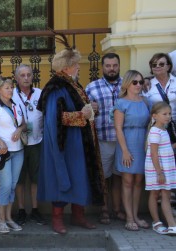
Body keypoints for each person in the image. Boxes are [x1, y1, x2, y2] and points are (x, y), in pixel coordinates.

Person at [37, 35, 104, 235]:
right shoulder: (55, 87)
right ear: (66, 67)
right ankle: (57, 218)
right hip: (64, 143)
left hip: (79, 143)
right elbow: (54, 118)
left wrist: (92, 108)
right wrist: (81, 114)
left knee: (80, 177)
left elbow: (83, 111)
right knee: (62, 179)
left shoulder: (75, 85)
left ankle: (78, 215)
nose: (78, 67)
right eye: (75, 64)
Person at [85, 53, 125, 225]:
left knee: (119, 176)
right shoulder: (92, 87)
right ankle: (104, 210)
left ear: (119, 65)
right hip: (103, 138)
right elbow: (84, 112)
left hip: (124, 139)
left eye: (115, 65)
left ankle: (117, 209)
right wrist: (90, 107)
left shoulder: (128, 84)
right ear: (102, 67)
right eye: (108, 65)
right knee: (104, 177)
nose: (111, 69)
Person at [0, 76, 26, 233]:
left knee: (13, 185)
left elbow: (23, 123)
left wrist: (19, 129)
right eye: (7, 87)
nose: (10, 90)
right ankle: (1, 220)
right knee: (6, 185)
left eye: (11, 87)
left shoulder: (16, 105)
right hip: (1, 152)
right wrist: (0, 141)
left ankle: (9, 218)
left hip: (18, 150)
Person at [113, 70, 150, 231]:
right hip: (126, 142)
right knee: (127, 181)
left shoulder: (146, 101)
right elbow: (118, 128)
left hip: (142, 142)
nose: (138, 85)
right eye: (135, 82)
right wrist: (125, 151)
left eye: (141, 82)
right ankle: (128, 217)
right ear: (127, 84)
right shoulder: (121, 103)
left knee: (138, 182)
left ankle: (135, 215)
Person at [11, 64, 46, 226]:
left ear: (33, 77)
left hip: (37, 142)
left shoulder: (40, 93)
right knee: (19, 179)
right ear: (17, 78)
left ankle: (35, 210)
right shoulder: (11, 95)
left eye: (29, 75)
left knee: (35, 179)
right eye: (22, 75)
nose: (26, 78)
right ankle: (21, 210)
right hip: (18, 144)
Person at [145, 101, 176, 235]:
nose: (168, 116)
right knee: (155, 193)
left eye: (169, 113)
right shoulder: (155, 131)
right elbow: (153, 153)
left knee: (165, 195)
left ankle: (170, 224)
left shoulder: (163, 129)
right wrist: (159, 173)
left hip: (166, 168)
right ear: (155, 116)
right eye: (164, 114)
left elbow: (165, 148)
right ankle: (159, 223)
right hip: (157, 169)